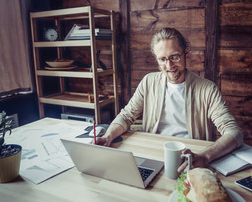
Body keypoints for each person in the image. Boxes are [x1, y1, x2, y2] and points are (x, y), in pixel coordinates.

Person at [96, 27, 244, 173]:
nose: (169, 65)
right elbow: (127, 116)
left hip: (190, 157)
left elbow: (234, 132)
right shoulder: (148, 82)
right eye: (162, 59)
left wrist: (205, 156)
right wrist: (108, 136)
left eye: (174, 57)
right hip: (153, 153)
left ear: (185, 52)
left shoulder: (207, 89)